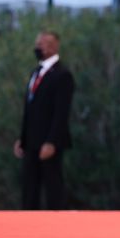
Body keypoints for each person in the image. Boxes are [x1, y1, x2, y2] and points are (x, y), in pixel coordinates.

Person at [14, 31, 75, 210]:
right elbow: (30, 109)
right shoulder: (36, 72)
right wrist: (22, 138)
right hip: (32, 140)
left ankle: (54, 224)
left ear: (55, 46)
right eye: (38, 43)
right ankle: (29, 222)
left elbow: (61, 112)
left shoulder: (62, 75)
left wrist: (51, 142)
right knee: (29, 185)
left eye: (44, 44)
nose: (39, 47)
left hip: (49, 142)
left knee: (52, 184)